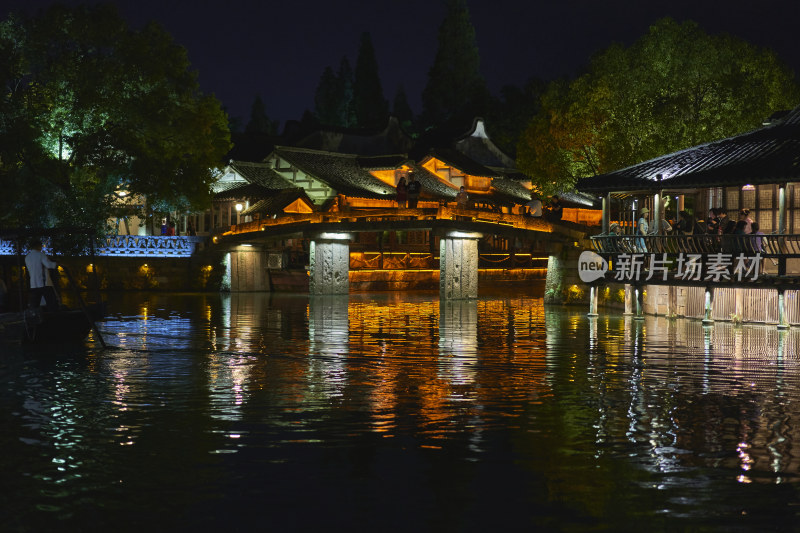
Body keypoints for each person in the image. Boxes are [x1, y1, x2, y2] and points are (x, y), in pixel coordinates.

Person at [25, 239, 59, 311]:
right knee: (51, 302)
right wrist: (56, 264)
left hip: (33, 284)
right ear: (38, 246)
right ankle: (53, 316)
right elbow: (48, 265)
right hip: (44, 283)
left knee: (35, 303)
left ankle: (33, 316)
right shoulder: (41, 255)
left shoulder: (27, 257)